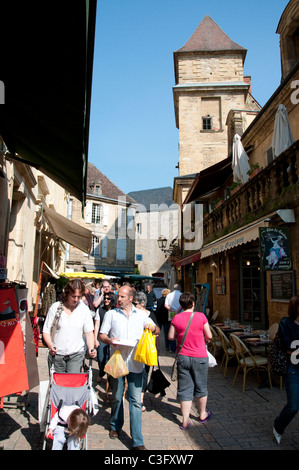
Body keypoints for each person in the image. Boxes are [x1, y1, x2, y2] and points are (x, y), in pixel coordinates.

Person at [99, 285, 160, 450]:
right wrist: (110, 341)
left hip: (136, 363)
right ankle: (115, 426)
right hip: (118, 361)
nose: (118, 299)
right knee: (117, 397)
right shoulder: (111, 314)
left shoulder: (141, 315)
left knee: (135, 401)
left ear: (131, 298)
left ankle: (137, 441)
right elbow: (102, 335)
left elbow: (157, 330)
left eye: (122, 297)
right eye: (118, 297)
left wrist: (152, 328)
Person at [168, 292, 212, 430]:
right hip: (199, 357)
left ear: (181, 305)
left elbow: (170, 336)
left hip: (183, 356)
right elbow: (209, 335)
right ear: (193, 304)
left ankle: (185, 420)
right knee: (201, 386)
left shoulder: (177, 318)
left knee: (185, 389)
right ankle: (203, 414)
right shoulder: (201, 316)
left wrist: (180, 336)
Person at [43, 279, 97, 373]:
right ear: (67, 294)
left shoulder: (84, 310)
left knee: (73, 384)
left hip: (76, 354)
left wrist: (91, 348)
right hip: (57, 354)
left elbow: (89, 333)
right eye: (73, 296)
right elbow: (46, 331)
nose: (76, 299)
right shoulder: (55, 307)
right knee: (58, 385)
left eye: (79, 297)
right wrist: (51, 345)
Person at [273, 296, 299, 445]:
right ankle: (278, 425)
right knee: (293, 406)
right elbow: (288, 346)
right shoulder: (286, 323)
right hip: (293, 369)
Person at [133, 291, 159, 412]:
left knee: (145, 373)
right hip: (136, 348)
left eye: (135, 303)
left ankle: (141, 397)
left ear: (142, 303)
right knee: (139, 372)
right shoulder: (133, 314)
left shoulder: (150, 315)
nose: (133, 305)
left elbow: (157, 331)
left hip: (147, 348)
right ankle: (138, 396)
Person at [94, 291, 117, 381]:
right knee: (101, 358)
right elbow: (96, 325)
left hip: (113, 337)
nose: (106, 300)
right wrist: (95, 339)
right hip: (102, 337)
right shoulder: (100, 310)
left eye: (108, 298)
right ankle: (102, 372)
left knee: (112, 359)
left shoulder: (117, 310)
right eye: (105, 298)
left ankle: (110, 379)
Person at [164, 284, 182, 352]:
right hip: (180, 314)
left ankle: (173, 348)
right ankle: (180, 347)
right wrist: (178, 310)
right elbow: (182, 305)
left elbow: (166, 305)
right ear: (180, 288)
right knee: (180, 330)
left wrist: (171, 310)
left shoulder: (169, 295)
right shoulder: (181, 295)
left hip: (171, 314)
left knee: (172, 330)